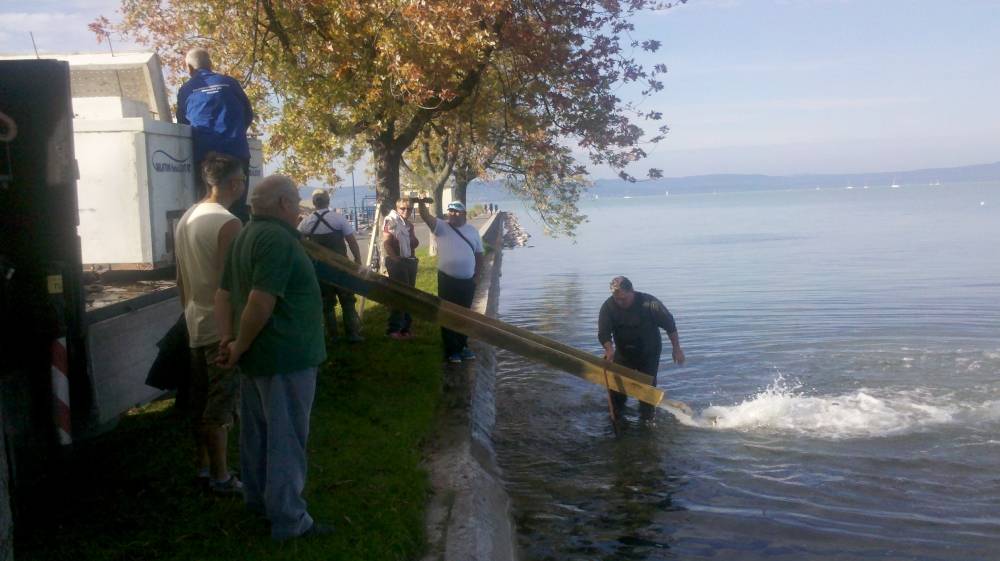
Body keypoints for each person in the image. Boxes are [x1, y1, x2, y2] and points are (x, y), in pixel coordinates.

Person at [214, 175, 332, 540]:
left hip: (259, 358)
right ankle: (289, 520)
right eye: (296, 201)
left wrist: (229, 340)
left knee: (258, 437)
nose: (299, 208)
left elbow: (222, 293)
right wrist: (239, 346)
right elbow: (260, 301)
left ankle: (259, 502)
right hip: (285, 357)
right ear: (283, 204)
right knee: (286, 440)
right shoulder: (277, 239)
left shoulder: (245, 234)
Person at [174, 152, 245, 495]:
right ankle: (221, 476)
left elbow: (180, 279)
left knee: (199, 401)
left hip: (194, 321)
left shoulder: (187, 217)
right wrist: (236, 333)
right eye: (243, 180)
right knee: (220, 405)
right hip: (221, 327)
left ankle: (202, 466)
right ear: (234, 183)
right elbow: (234, 283)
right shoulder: (228, 223)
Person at [177, 47, 254, 222]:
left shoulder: (186, 90)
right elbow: (248, 114)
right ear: (210, 65)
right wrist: (235, 134)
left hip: (206, 158)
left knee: (208, 209)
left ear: (189, 68)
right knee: (237, 210)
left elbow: (183, 124)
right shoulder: (229, 83)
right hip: (236, 153)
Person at [598, 276, 685, 422]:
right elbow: (603, 332)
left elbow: (670, 325)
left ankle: (647, 420)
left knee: (647, 391)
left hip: (649, 352)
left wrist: (676, 348)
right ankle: (618, 418)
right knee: (617, 390)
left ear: (632, 291)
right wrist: (608, 349)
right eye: (616, 299)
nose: (620, 302)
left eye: (623, 299)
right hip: (623, 352)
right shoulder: (608, 306)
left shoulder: (649, 303)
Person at [417, 200, 484, 363]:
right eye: (450, 211)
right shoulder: (441, 227)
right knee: (447, 314)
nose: (452, 214)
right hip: (447, 279)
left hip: (468, 281)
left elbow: (479, 254)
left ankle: (462, 346)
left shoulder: (472, 231)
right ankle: (451, 350)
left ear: (464, 214)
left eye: (456, 211)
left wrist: (477, 276)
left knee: (464, 314)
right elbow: (425, 216)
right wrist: (420, 203)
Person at [298, 189, 364, 343]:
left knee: (327, 304)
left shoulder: (306, 222)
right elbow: (351, 241)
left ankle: (333, 336)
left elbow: (298, 241)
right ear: (328, 201)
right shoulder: (338, 218)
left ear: (314, 203)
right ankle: (352, 334)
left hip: (320, 270)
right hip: (341, 267)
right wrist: (357, 260)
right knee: (347, 301)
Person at [382, 197, 420, 339]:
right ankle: (393, 329)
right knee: (400, 295)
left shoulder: (409, 225)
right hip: (397, 262)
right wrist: (396, 260)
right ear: (397, 209)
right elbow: (386, 243)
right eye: (402, 208)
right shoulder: (391, 221)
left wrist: (413, 241)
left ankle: (405, 328)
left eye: (409, 208)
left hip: (409, 261)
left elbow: (413, 244)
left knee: (409, 295)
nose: (406, 211)